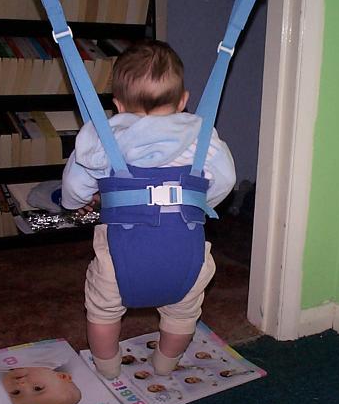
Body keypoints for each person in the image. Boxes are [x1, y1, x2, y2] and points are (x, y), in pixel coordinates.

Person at [62, 39, 236, 380]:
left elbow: (74, 184)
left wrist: (75, 203)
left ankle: (108, 368)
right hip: (186, 250)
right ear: (183, 101)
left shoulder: (102, 138)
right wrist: (199, 204)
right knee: (182, 314)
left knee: (102, 310)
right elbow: (225, 180)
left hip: (120, 254)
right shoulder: (203, 139)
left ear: (117, 105)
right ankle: (165, 363)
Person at [1, 366, 82, 404]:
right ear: (62, 376)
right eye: (38, 388)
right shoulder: (52, 355)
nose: (21, 385)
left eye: (16, 392)